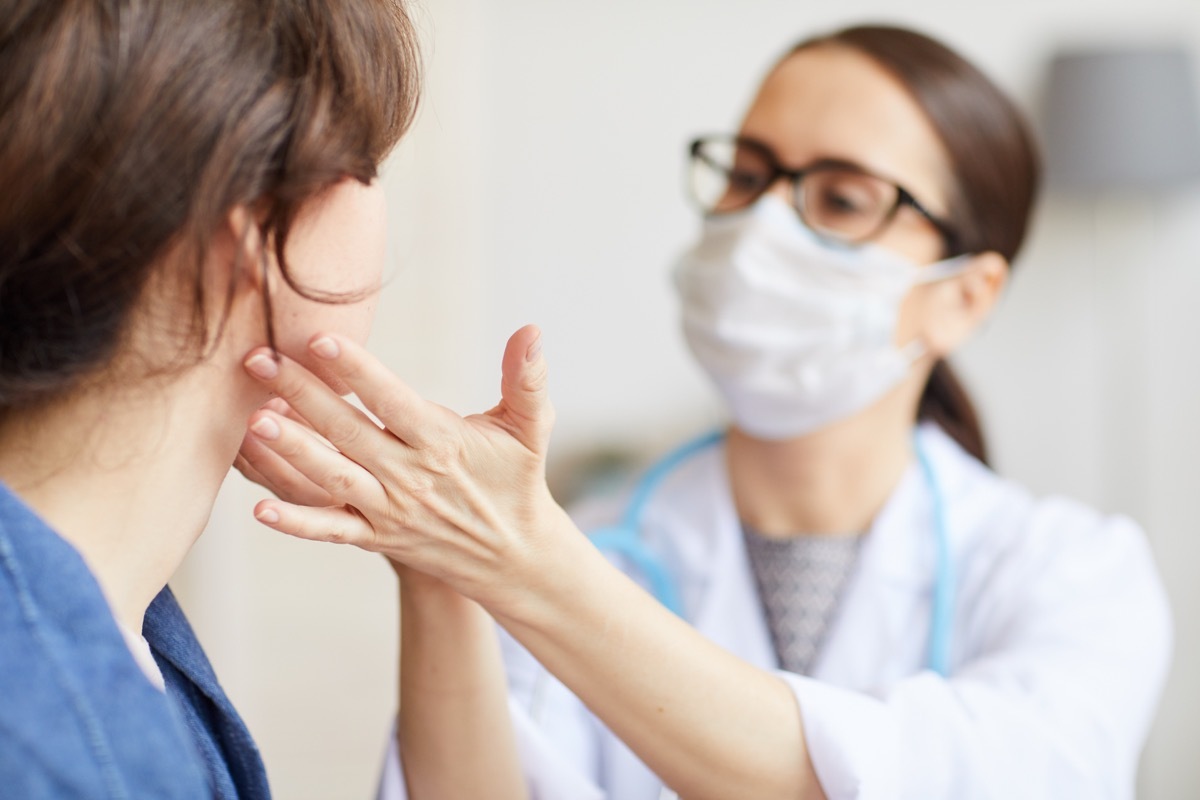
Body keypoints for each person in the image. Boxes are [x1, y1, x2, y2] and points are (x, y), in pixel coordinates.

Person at [237, 24, 1172, 800]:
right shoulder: (601, 546)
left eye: (841, 198)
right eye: (748, 173)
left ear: (965, 296)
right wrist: (440, 569)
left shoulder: (1077, 579)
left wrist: (518, 558)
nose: (762, 226)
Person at [0, 1, 420, 796]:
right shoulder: (41, 744)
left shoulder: (116, 629)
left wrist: (446, 569)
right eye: (367, 164)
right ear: (254, 235)